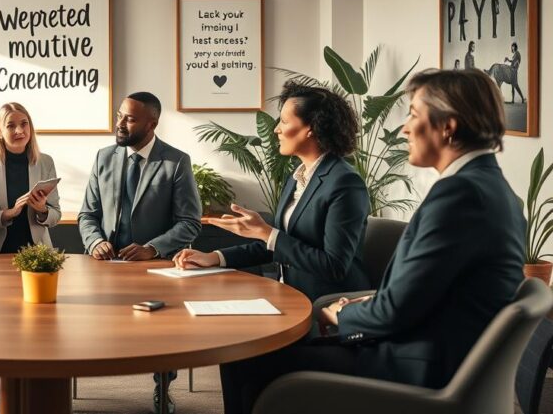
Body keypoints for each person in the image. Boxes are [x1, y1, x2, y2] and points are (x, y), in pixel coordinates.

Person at [214, 68, 525, 414]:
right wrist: (358, 305)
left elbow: (396, 310)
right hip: (435, 352)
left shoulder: (459, 196)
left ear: (448, 127)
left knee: (244, 360)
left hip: (416, 368)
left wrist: (340, 316)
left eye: (413, 115)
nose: (405, 128)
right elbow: (424, 292)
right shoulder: (492, 189)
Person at [173, 81, 371, 302]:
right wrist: (213, 257)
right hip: (290, 294)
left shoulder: (344, 183)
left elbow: (334, 266)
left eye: (284, 122)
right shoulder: (298, 176)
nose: (276, 129)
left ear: (310, 129)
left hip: (327, 304)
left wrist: (267, 232)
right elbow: (276, 245)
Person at [77, 91, 202, 414]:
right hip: (106, 267)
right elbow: (87, 215)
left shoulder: (176, 162)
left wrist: (152, 248)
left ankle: (163, 387)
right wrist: (94, 242)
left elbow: (190, 223)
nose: (119, 123)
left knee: (163, 334)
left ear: (152, 123)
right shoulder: (104, 157)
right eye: (120, 115)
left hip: (156, 269)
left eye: (129, 118)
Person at [0, 102, 62, 414]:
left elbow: (57, 214)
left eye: (24, 123)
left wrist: (41, 210)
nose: (19, 130)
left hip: (37, 256)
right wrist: (9, 213)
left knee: (40, 328)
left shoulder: (44, 162)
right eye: (11, 125)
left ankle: (38, 388)